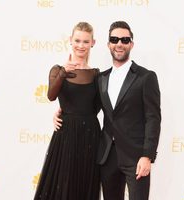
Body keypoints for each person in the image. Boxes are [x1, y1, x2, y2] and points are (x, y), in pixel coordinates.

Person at [54, 20, 161, 200]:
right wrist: (62, 111)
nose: (119, 43)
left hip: (136, 158)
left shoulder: (146, 77)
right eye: (115, 39)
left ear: (131, 44)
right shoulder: (101, 78)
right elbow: (87, 105)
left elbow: (153, 118)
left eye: (125, 40)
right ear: (108, 44)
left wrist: (147, 156)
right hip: (106, 156)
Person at [33, 22, 101, 200]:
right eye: (77, 40)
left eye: (86, 41)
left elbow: (97, 106)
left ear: (93, 43)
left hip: (90, 135)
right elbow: (51, 95)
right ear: (70, 40)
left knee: (85, 183)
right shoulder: (57, 70)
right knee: (62, 183)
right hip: (66, 133)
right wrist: (63, 73)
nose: (81, 45)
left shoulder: (96, 74)